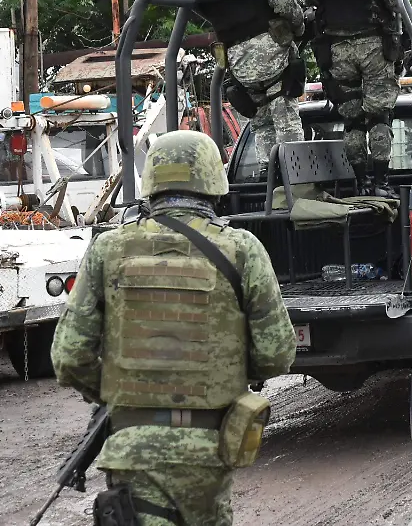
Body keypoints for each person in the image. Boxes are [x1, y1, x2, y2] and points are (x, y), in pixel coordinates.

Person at [52, 130, 297, 526]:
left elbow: (69, 357)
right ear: (213, 183)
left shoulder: (108, 250)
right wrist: (225, 373)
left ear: (151, 183)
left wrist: (120, 392)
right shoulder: (242, 250)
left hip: (131, 448)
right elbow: (276, 352)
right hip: (209, 449)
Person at [189, 0, 307, 168]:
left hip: (238, 65)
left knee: (262, 125)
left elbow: (200, 11)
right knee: (286, 120)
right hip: (273, 55)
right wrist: (299, 27)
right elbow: (284, 0)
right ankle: (297, 177)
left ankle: (268, 176)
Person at [306, 0, 404, 197]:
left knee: (352, 122)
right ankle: (381, 184)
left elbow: (307, 3)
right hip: (374, 48)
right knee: (379, 118)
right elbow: (396, 2)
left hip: (337, 51)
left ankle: (361, 183)